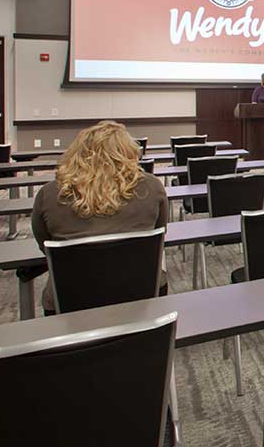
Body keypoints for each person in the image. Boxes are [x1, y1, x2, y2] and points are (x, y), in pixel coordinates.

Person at [31, 121, 168, 315]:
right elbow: (161, 235)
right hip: (144, 292)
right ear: (128, 152)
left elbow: (44, 244)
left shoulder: (50, 193)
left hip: (69, 299)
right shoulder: (153, 187)